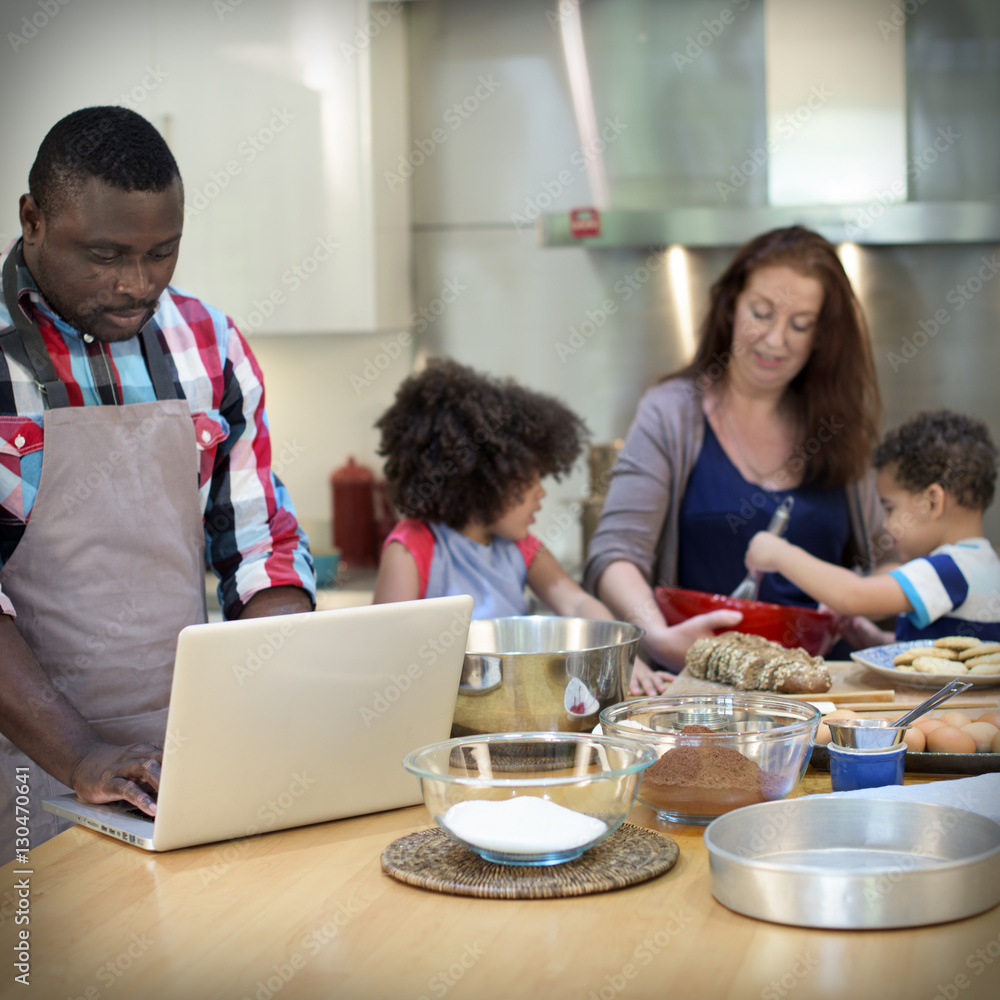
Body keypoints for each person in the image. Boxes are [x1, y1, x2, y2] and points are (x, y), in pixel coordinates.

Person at [0, 107, 315, 857]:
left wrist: (271, 699)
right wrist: (81, 757)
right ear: (34, 220)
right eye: (105, 254)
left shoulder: (209, 342)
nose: (136, 284)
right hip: (21, 766)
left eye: (162, 253)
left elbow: (258, 543)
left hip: (183, 767)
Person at [583, 225, 886, 680]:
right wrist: (660, 637)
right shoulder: (672, 412)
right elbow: (615, 554)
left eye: (800, 324)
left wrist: (858, 597)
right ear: (730, 306)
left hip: (827, 687)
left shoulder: (839, 425)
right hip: (706, 684)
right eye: (762, 313)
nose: (775, 339)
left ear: (822, 335)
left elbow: (892, 555)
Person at [371, 358, 661, 692]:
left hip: (513, 704)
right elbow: (387, 652)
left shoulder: (521, 547)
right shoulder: (413, 547)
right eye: (526, 479)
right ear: (480, 480)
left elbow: (578, 604)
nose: (541, 492)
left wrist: (626, 658)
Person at [746, 410, 1000, 643]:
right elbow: (931, 652)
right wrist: (874, 638)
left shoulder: (950, 569)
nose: (886, 525)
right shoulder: (982, 564)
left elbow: (853, 595)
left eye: (890, 508)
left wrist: (780, 554)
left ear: (932, 502)